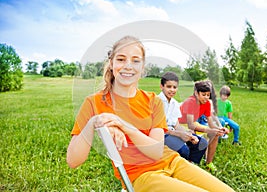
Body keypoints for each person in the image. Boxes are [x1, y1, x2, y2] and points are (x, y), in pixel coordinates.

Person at [66, 36, 235, 192]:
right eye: (121, 59)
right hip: (142, 175)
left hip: (173, 162)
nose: (128, 66)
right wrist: (94, 122)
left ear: (142, 67)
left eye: (135, 60)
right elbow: (73, 161)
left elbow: (155, 151)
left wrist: (123, 126)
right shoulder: (94, 103)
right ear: (111, 63)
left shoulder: (153, 100)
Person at [158, 72, 208, 164]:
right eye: (169, 87)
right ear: (162, 86)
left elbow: (176, 124)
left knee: (202, 143)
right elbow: (157, 128)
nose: (172, 90)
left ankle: (190, 164)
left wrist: (187, 133)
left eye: (174, 87)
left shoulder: (174, 103)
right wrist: (179, 134)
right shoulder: (157, 101)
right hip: (161, 134)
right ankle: (179, 167)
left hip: (173, 132)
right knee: (183, 150)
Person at [178, 81, 228, 172]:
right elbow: (190, 125)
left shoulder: (207, 103)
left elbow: (211, 123)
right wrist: (209, 130)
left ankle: (209, 162)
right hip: (180, 124)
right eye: (203, 94)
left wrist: (219, 129)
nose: (206, 97)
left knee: (216, 134)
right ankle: (189, 163)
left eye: (208, 95)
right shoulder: (190, 102)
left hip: (192, 123)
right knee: (193, 136)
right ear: (196, 93)